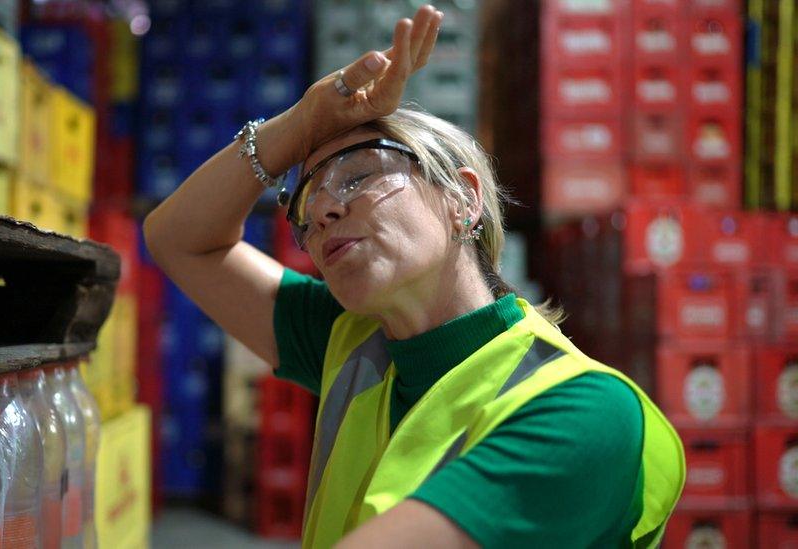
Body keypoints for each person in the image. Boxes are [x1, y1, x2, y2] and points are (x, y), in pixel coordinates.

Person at [145, 4, 685, 548]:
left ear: (463, 200)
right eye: (308, 205)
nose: (326, 209)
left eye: (358, 176)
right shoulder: (352, 345)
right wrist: (301, 124)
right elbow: (178, 239)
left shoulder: (581, 412)